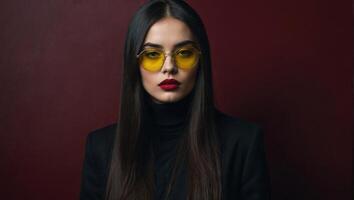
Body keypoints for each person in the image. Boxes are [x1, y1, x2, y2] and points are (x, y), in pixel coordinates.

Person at [79, 0, 271, 199]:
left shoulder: (243, 143)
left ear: (200, 61)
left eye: (184, 53)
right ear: (134, 63)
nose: (169, 66)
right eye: (153, 54)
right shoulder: (102, 148)